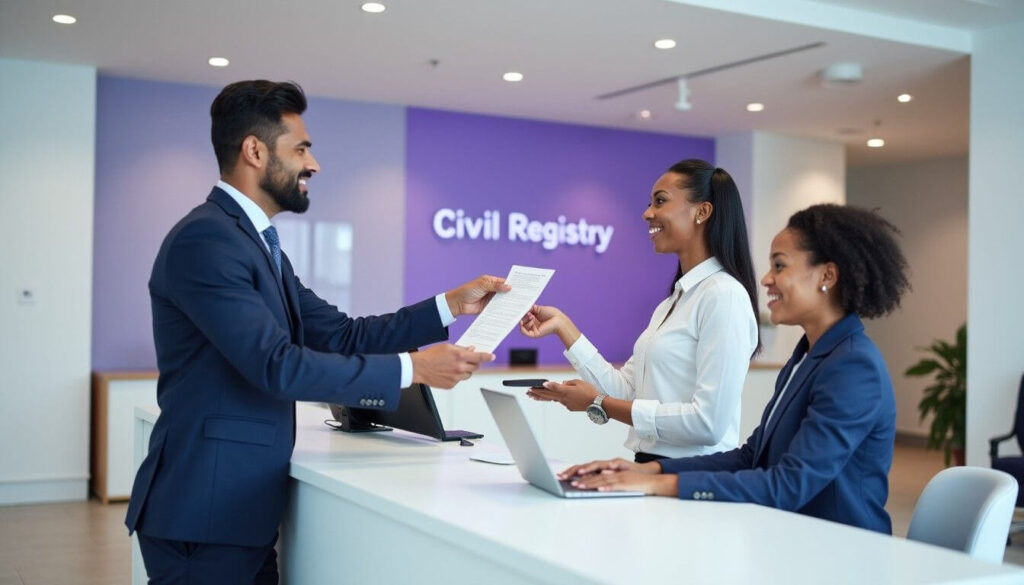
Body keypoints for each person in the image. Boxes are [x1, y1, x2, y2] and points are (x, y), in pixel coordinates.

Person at [125, 80, 508, 583]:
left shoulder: (257, 245)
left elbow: (342, 334)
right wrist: (414, 368)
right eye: (301, 149)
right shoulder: (208, 239)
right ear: (255, 151)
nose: (314, 165)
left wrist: (449, 306)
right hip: (205, 512)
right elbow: (276, 366)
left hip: (236, 514)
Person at [561, 203, 910, 534]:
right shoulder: (808, 356)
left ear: (827, 276)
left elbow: (788, 484)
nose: (766, 279)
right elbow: (751, 457)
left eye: (780, 266)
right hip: (791, 538)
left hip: (839, 555)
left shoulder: (853, 367)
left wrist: (658, 483)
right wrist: (648, 468)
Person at [519, 159, 760, 462]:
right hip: (651, 466)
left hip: (695, 475)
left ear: (702, 211)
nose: (647, 213)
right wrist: (563, 327)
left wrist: (598, 402)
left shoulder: (723, 296)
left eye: (660, 201)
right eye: (650, 203)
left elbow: (707, 424)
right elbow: (626, 390)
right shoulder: (672, 303)